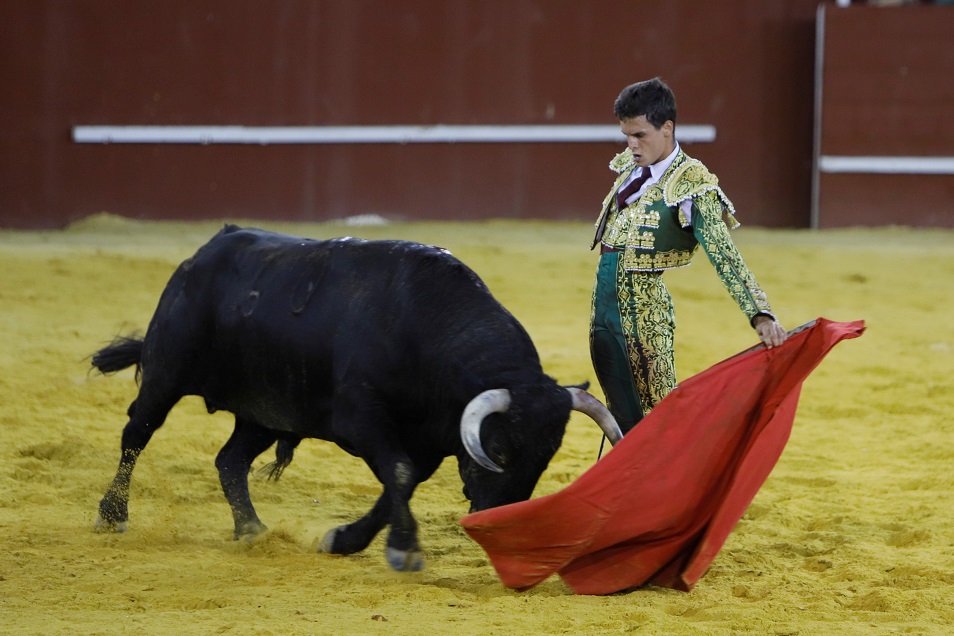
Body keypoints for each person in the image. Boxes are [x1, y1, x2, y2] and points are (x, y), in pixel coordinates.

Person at [590, 77, 788, 434]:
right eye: (627, 135)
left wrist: (759, 314)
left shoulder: (693, 186)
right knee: (618, 420)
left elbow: (724, 254)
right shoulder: (629, 168)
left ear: (667, 128)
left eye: (640, 135)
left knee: (661, 419)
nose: (631, 145)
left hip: (645, 319)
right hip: (602, 314)